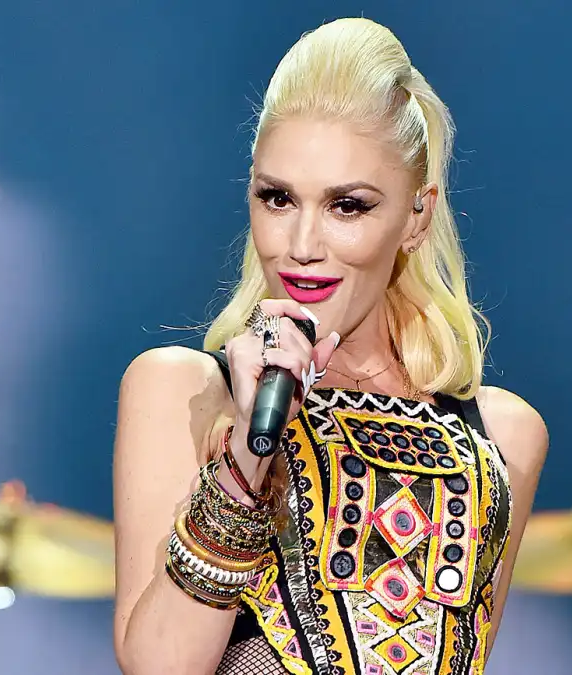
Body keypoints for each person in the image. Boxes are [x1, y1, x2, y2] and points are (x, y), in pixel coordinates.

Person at [113, 17, 549, 675]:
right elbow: (158, 667)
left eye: (348, 205)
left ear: (417, 215)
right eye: (278, 198)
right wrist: (246, 457)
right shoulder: (183, 389)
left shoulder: (504, 436)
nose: (303, 244)